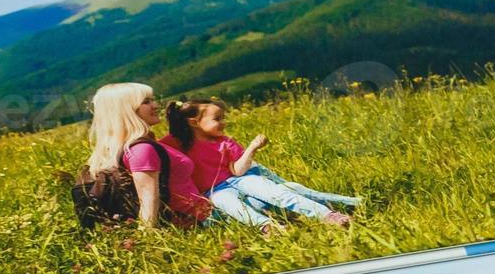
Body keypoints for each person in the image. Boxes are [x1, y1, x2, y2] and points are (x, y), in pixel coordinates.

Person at [166, 95, 360, 232]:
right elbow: (149, 146)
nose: (223, 122)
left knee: (277, 194)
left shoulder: (226, 142)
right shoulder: (180, 142)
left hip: (239, 180)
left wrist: (252, 148)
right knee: (233, 206)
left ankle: (327, 215)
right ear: (194, 123)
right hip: (213, 191)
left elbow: (237, 171)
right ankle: (269, 228)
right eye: (217, 119)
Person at [83, 82, 209, 227]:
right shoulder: (142, 150)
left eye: (152, 100)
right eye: (146, 102)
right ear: (127, 110)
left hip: (197, 216)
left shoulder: (130, 147)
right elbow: (149, 203)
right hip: (198, 221)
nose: (155, 105)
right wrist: (148, 241)